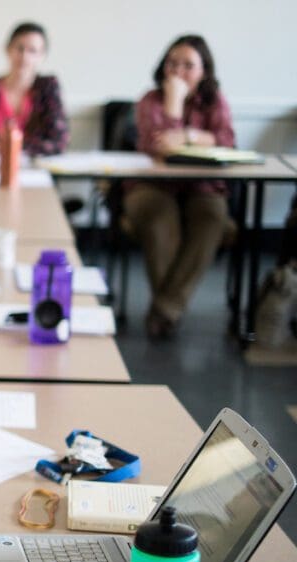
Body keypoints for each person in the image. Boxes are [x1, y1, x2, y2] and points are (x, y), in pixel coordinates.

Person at [123, 35, 236, 339]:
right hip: (153, 185)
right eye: (172, 63)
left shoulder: (215, 102)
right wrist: (174, 104)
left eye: (188, 65)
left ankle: (165, 308)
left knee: (211, 220)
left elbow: (226, 140)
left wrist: (188, 135)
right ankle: (168, 311)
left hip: (202, 186)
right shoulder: (151, 100)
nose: (178, 72)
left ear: (204, 71)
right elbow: (157, 146)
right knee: (160, 222)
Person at [0, 22, 69, 156]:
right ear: (8, 49)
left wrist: (2, 146)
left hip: (35, 171)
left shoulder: (47, 88)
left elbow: (59, 142)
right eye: (19, 48)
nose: (24, 56)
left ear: (42, 56)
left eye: (32, 51)